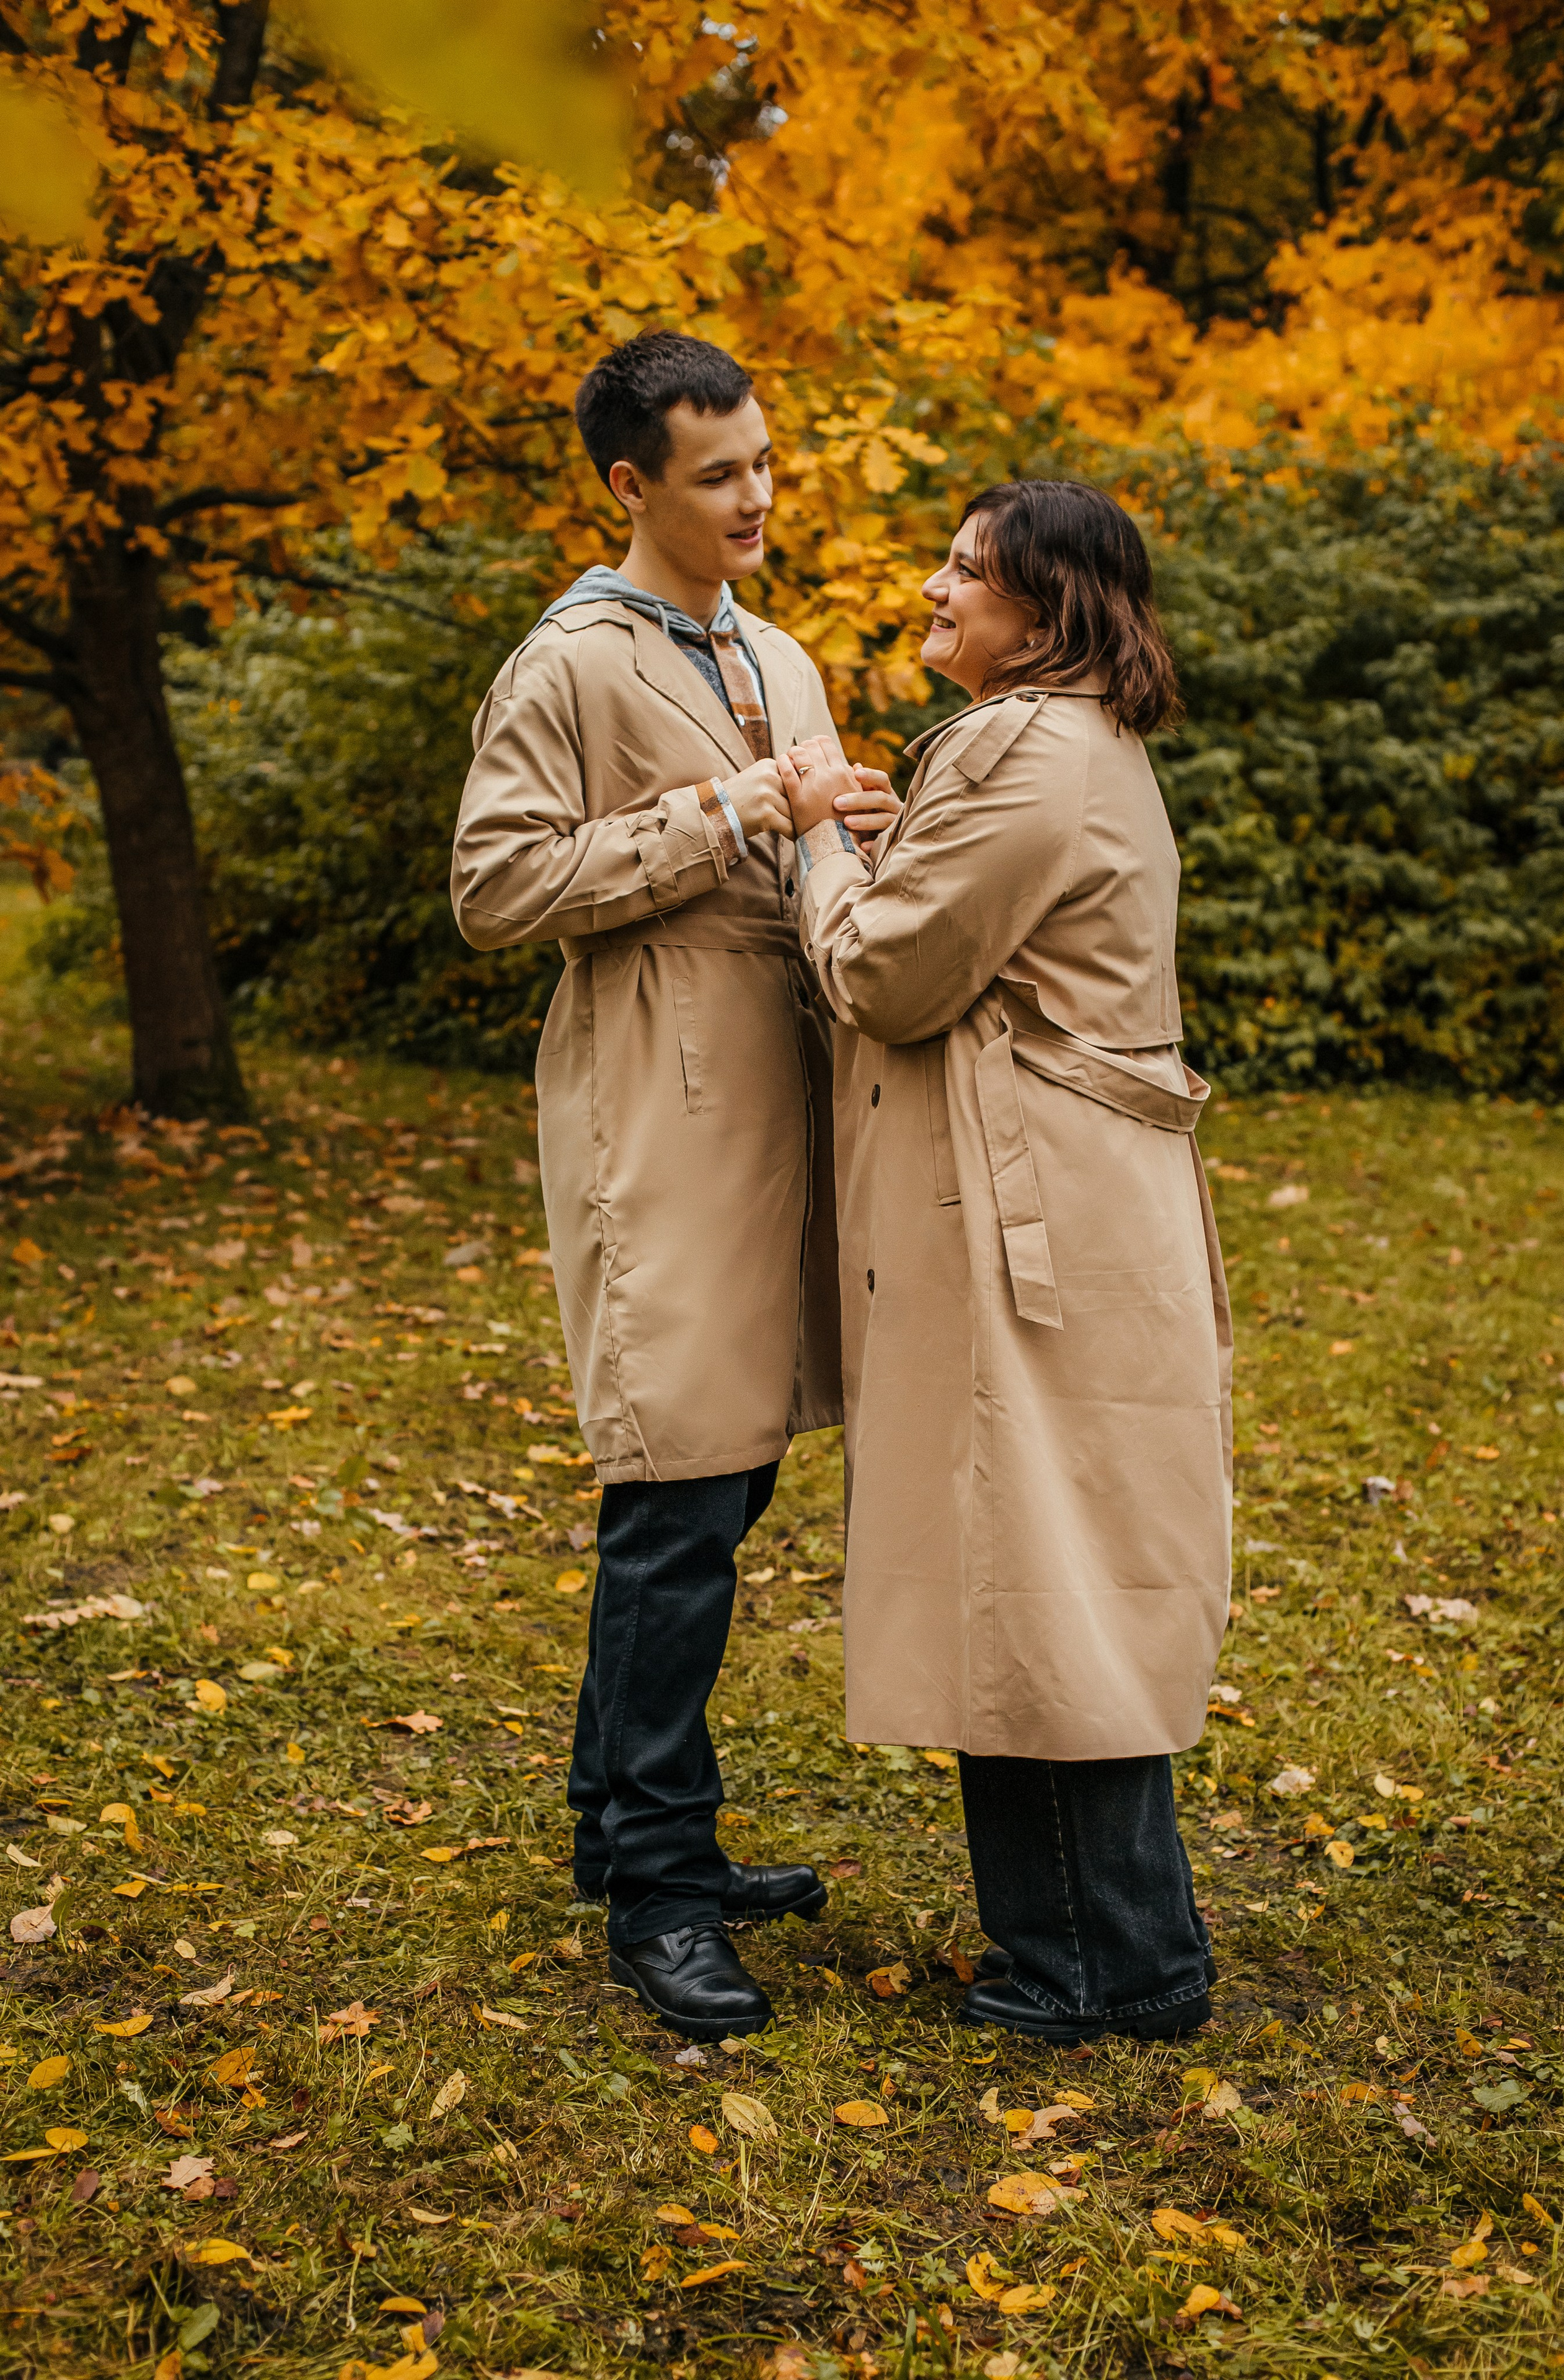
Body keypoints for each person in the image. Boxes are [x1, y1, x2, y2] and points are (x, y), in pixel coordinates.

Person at [451, 332, 897, 2040]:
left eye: (766, 464)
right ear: (633, 485)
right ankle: (658, 1884)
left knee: (730, 1477)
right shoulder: (563, 665)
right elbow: (498, 889)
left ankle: (612, 1821)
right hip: (661, 1106)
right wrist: (727, 815)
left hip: (795, 1096)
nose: (758, 497)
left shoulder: (780, 650)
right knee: (677, 1495)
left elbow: (808, 843)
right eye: (720, 475)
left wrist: (854, 829)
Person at [780, 478, 1232, 2045]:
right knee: (1047, 1571)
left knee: (1034, 1580)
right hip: (1055, 1200)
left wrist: (815, 854)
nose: (931, 584)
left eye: (967, 571)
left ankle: (1099, 1968)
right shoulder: (1064, 741)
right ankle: (1102, 1949)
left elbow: (892, 975)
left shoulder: (1025, 745)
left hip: (1021, 1212)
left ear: (1046, 613)